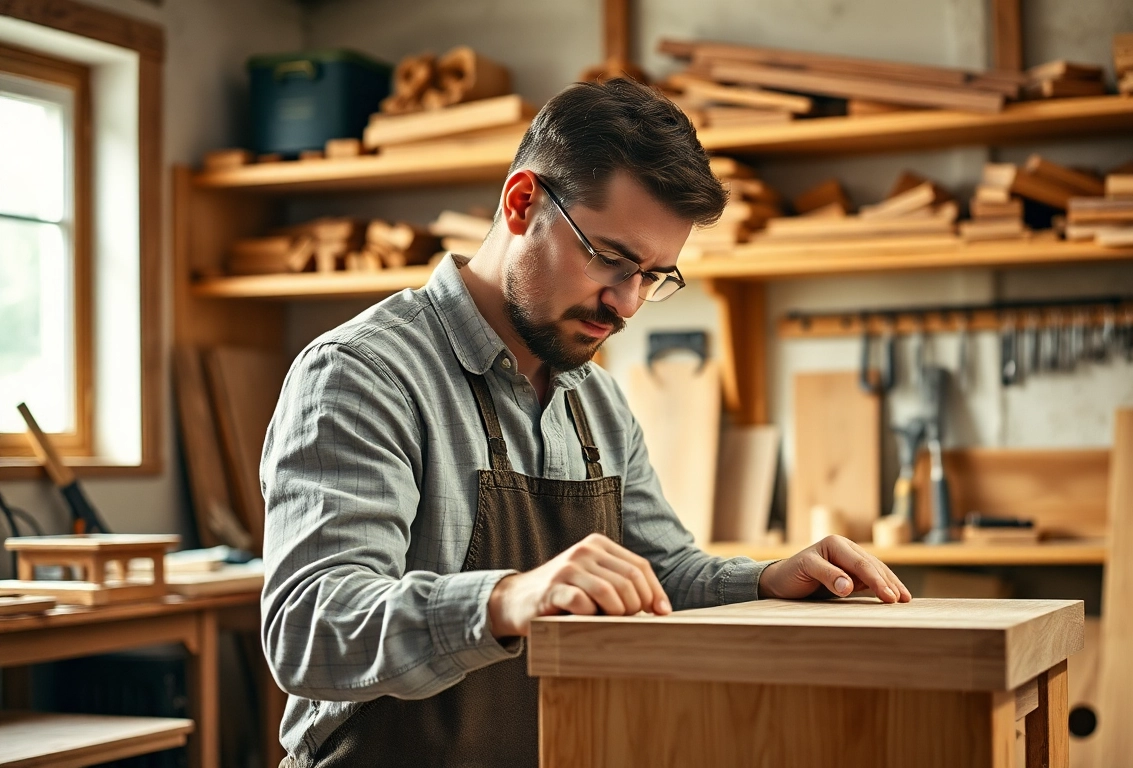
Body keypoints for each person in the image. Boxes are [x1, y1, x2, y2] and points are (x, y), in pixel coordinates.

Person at [260, 77, 911, 768]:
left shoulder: (594, 399)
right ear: (522, 203)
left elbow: (662, 573)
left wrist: (765, 580)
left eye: (655, 275)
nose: (627, 304)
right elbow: (310, 628)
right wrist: (508, 599)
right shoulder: (363, 374)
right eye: (610, 258)